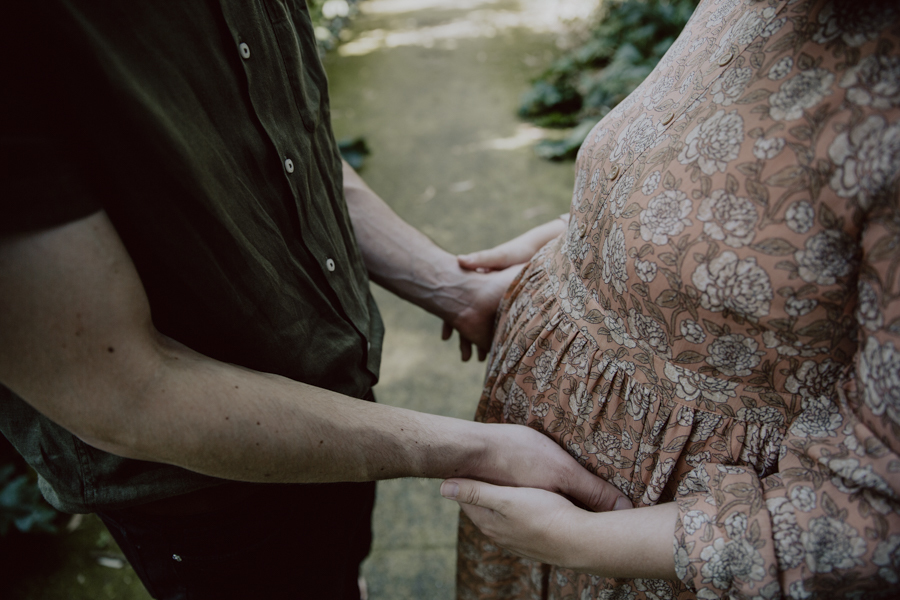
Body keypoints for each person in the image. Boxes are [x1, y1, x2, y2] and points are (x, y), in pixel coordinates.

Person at [0, 3, 629, 599]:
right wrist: (485, 449)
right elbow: (119, 393)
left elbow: (286, 145)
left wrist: (449, 285)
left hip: (339, 397)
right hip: (202, 490)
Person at [441, 0, 900, 598]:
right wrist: (588, 231)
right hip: (541, 520)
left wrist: (574, 541)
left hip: (639, 551)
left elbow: (877, 515)